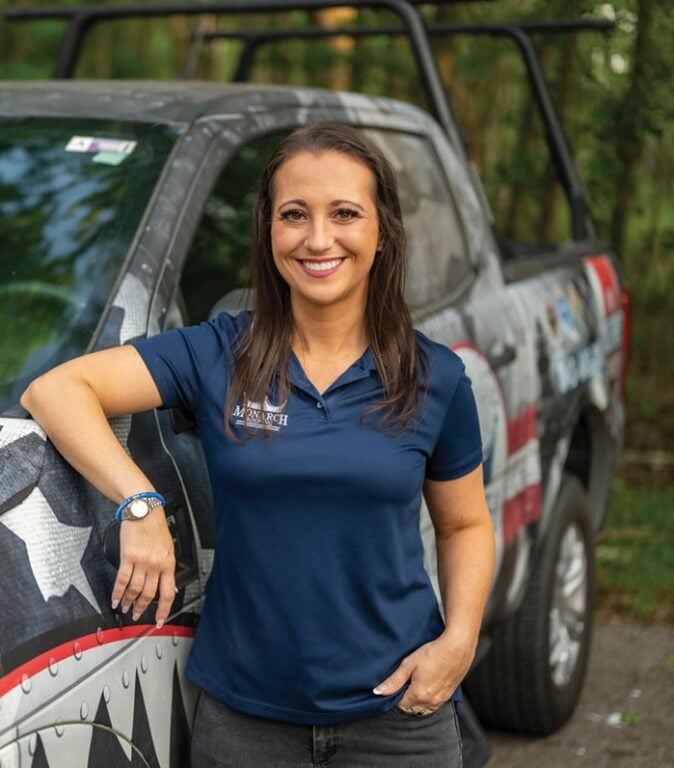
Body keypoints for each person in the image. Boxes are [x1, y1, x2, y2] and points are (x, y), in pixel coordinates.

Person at [21, 122, 495, 768]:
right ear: (269, 229)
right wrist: (139, 501)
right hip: (246, 726)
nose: (318, 238)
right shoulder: (220, 352)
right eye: (294, 214)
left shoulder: (434, 377)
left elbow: (465, 523)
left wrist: (461, 640)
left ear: (382, 231)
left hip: (400, 720)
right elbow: (56, 390)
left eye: (345, 214)